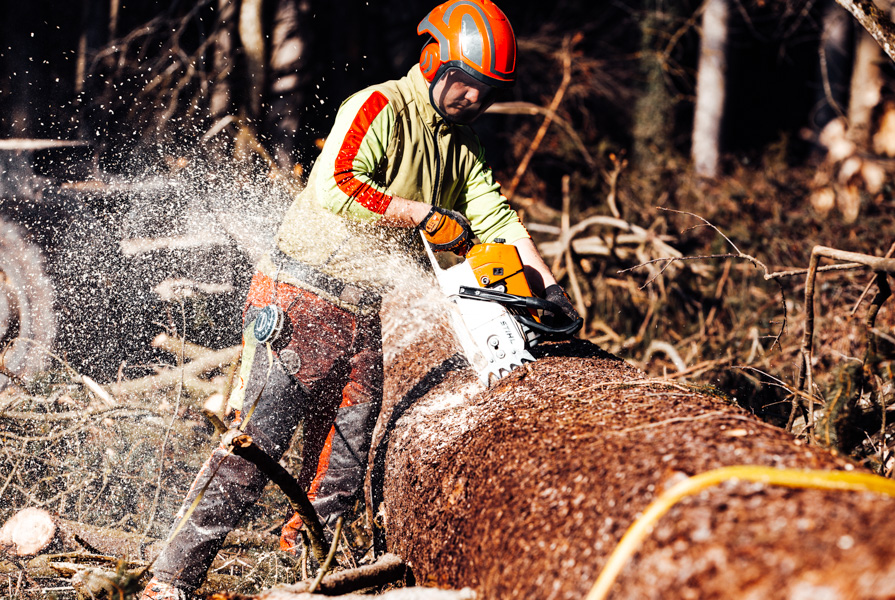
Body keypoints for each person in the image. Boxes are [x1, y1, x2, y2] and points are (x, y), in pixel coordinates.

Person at [140, 0, 578, 597]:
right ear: (434, 61)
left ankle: (304, 575)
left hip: (362, 309)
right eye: (468, 85)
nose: (475, 100)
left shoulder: (461, 143)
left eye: (488, 91)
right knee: (255, 447)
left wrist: (545, 286)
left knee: (343, 462)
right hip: (300, 295)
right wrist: (422, 214)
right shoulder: (378, 106)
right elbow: (338, 187)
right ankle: (172, 577)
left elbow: (495, 217)